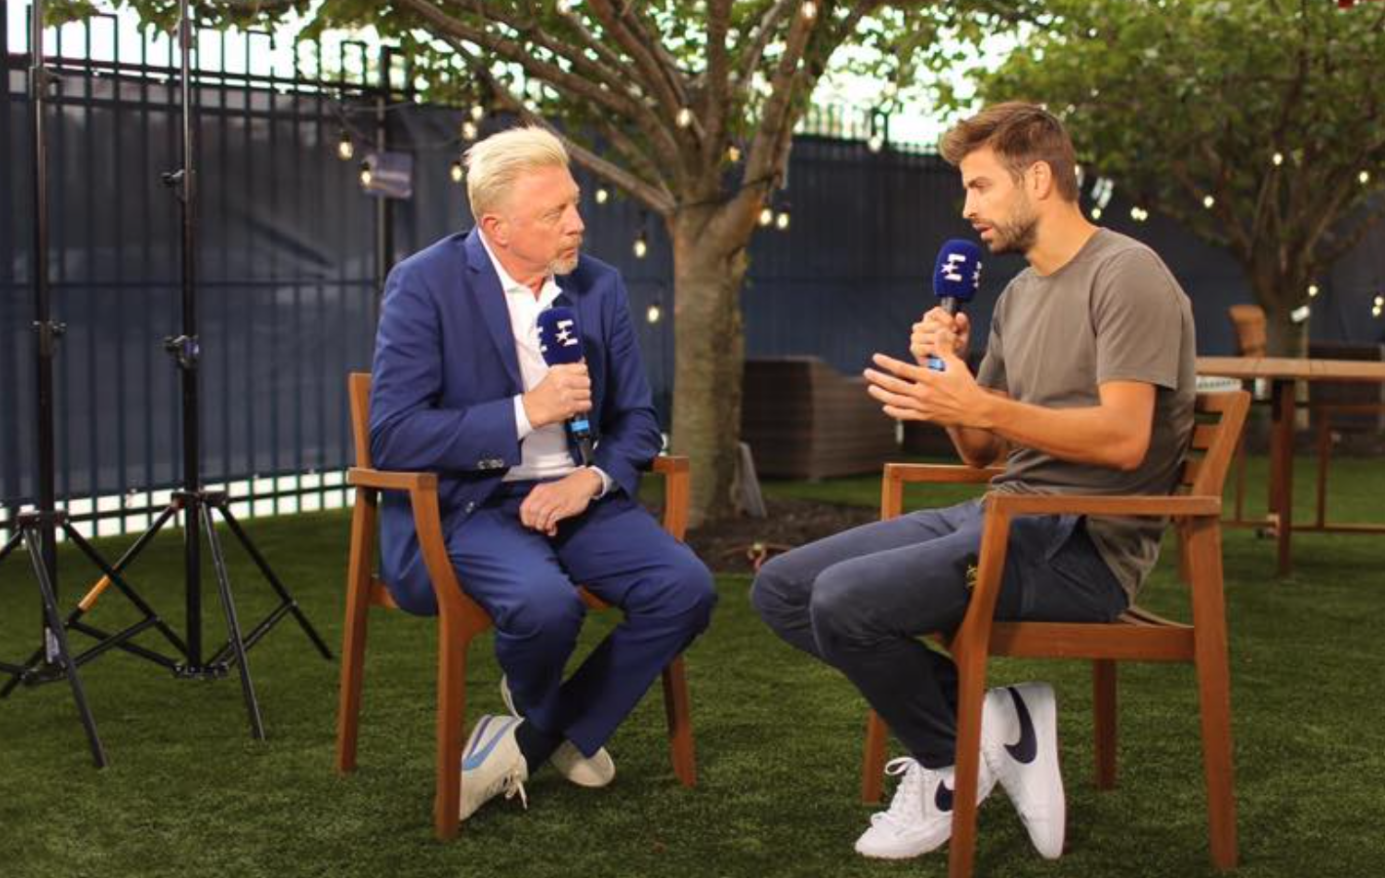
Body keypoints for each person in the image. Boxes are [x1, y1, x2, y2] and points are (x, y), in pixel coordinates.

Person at [750, 102, 1196, 861]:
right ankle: (996, 724)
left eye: (982, 186)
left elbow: (1126, 440)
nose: (967, 208)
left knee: (847, 601)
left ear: (1041, 178)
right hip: (1004, 512)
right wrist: (948, 377)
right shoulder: (1020, 294)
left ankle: (945, 763)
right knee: (782, 589)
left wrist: (981, 400)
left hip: (1083, 546)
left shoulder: (1128, 274)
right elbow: (983, 451)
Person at [369, 126, 716, 822]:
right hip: (472, 505)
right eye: (554, 212)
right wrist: (525, 412)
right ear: (495, 226)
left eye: (575, 204)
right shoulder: (425, 284)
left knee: (686, 588)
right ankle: (553, 714)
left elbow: (638, 422)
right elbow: (393, 434)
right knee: (545, 606)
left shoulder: (600, 285)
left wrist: (589, 482)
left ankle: (533, 730)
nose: (577, 223)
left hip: (579, 498)